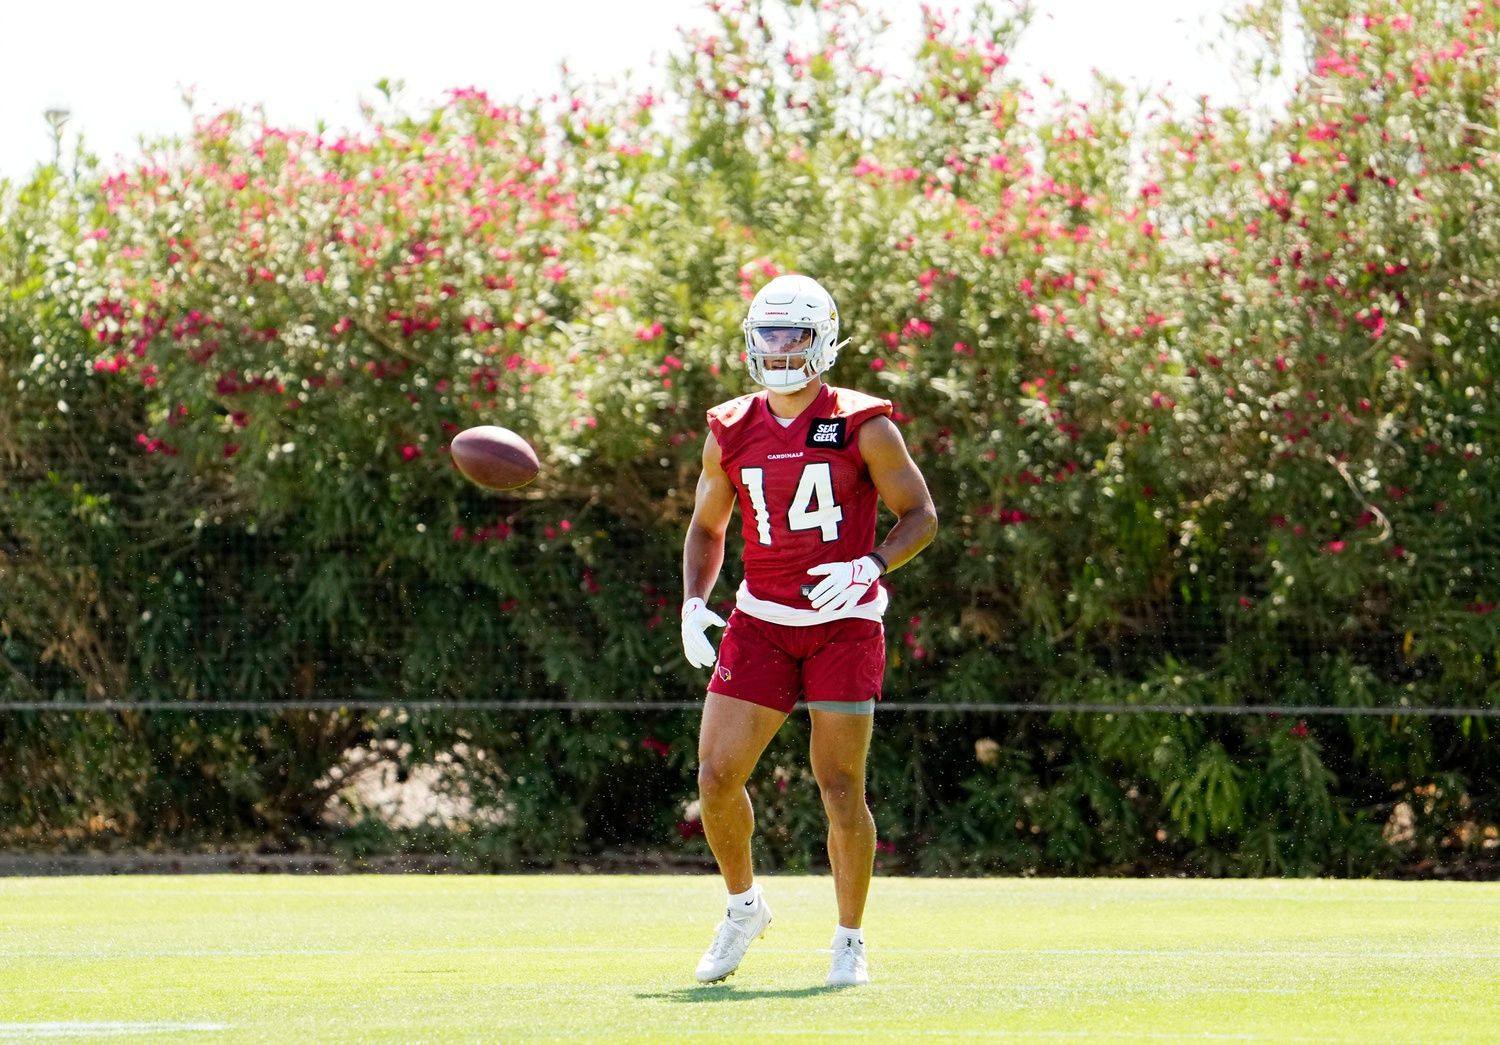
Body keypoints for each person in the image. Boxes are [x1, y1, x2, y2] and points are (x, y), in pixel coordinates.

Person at [680, 273, 938, 987]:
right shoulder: (730, 426)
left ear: (822, 339)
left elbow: (921, 514)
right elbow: (707, 524)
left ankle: (849, 939)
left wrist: (872, 565)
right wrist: (694, 602)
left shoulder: (862, 421)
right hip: (760, 620)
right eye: (769, 333)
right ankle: (743, 906)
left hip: (841, 624)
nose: (780, 347)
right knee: (716, 776)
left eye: (794, 334)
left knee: (839, 783)